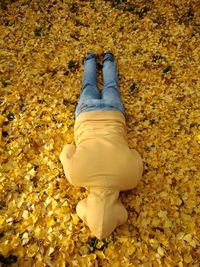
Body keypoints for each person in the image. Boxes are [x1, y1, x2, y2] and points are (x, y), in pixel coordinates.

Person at [59, 51, 143, 239]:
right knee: (88, 85)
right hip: (86, 114)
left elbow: (135, 154)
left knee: (112, 85)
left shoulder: (130, 180)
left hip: (113, 113)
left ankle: (108, 59)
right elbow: (67, 149)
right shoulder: (75, 176)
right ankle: (89, 58)